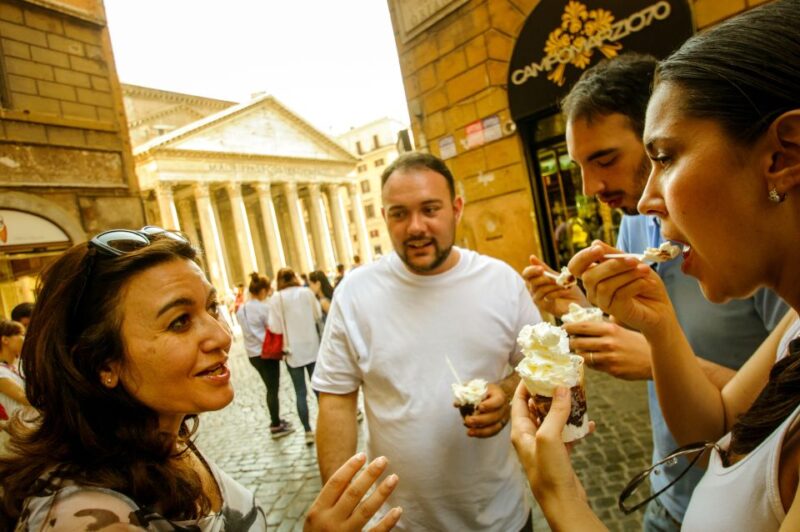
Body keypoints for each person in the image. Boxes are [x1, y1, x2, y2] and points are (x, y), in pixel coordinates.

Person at [512, 1, 800, 529]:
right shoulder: (795, 327)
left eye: (663, 157)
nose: (646, 200)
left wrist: (559, 494)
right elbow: (715, 424)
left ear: (783, 156)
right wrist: (655, 326)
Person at [0, 226, 401, 531]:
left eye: (212, 307)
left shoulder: (167, 441)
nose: (222, 336)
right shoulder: (83, 519)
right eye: (179, 322)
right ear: (103, 363)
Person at [313, 152, 541, 531]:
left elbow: (539, 371)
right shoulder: (355, 293)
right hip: (400, 522)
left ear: (456, 209)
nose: (415, 226)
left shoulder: (501, 282)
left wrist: (507, 391)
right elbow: (336, 400)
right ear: (385, 218)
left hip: (501, 518)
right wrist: (340, 509)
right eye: (399, 214)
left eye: (430, 209)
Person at [236, 272, 293, 439]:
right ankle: (275, 424)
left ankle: (276, 419)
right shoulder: (263, 308)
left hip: (252, 354)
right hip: (266, 352)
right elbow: (273, 328)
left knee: (270, 388)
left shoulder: (242, 309)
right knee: (272, 389)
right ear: (262, 290)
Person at [269, 267, 322, 445]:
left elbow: (274, 327)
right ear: (294, 277)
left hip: (292, 351)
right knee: (319, 390)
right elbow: (318, 315)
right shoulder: (306, 292)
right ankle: (326, 424)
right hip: (312, 347)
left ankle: (308, 431)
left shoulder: (277, 298)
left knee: (300, 393)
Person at [0, 320, 28, 446]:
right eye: (21, 334)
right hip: (19, 436)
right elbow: (26, 398)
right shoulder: (1, 372)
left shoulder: (18, 365)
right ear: (5, 339)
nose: (25, 338)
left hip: (31, 428)